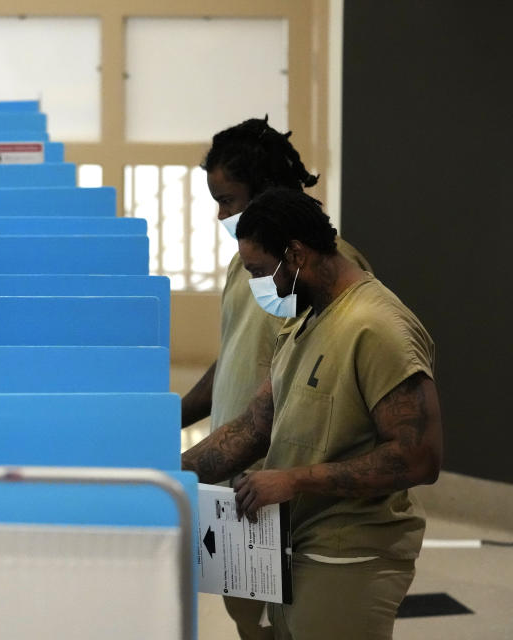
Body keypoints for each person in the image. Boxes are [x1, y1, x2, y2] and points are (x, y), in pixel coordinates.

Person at [182, 188, 443, 640]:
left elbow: (418, 458)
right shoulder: (304, 320)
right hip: (294, 544)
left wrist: (294, 480)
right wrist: (165, 474)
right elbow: (253, 427)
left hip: (350, 552)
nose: (260, 287)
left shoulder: (377, 328)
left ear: (297, 254)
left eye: (261, 273)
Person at [181, 117, 371, 639]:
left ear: (266, 189)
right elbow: (238, 358)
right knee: (250, 621)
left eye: (229, 198)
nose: (221, 214)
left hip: (278, 486)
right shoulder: (249, 263)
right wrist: (173, 417)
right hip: (234, 483)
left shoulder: (320, 271)